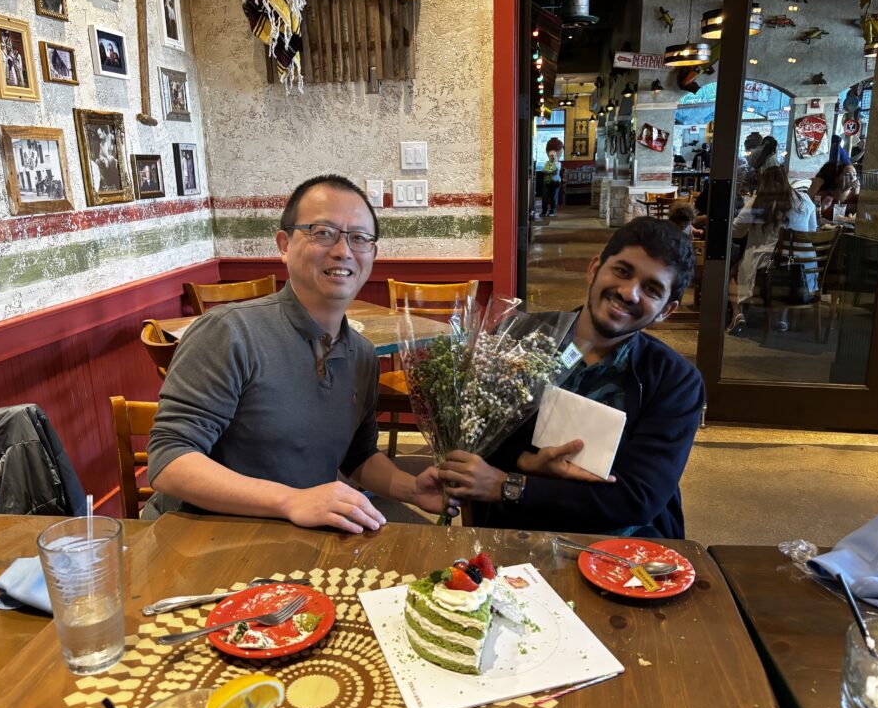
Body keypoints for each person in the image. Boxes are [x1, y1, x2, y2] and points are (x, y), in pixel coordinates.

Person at [146, 175, 445, 532]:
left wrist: (412, 488)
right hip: (200, 537)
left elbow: (358, 456)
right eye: (322, 232)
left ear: (373, 253)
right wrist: (291, 500)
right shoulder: (230, 331)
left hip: (294, 543)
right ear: (284, 244)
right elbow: (169, 460)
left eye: (359, 238)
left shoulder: (362, 354)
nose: (343, 250)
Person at [435, 217, 704, 538]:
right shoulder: (518, 337)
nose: (629, 292)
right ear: (594, 269)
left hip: (622, 545)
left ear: (666, 311)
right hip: (515, 532)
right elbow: (471, 441)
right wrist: (524, 461)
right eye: (622, 271)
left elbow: (637, 498)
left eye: (651, 288)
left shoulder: (675, 381)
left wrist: (512, 486)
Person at [728, 166, 818, 334]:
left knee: (733, 269)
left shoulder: (758, 202)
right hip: (802, 270)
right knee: (785, 266)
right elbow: (812, 231)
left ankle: (737, 314)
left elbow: (735, 230)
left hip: (766, 267)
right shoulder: (805, 200)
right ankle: (781, 318)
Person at [808, 146, 860, 219]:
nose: (852, 178)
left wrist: (856, 195)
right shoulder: (822, 196)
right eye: (847, 174)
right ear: (836, 179)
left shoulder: (856, 197)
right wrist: (822, 209)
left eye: (855, 175)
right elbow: (813, 217)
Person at [540, 149, 561, 218]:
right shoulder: (546, 163)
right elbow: (543, 170)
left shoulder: (558, 163)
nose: (551, 157)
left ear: (555, 155)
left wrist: (548, 171)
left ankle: (552, 211)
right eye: (550, 155)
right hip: (546, 182)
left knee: (553, 198)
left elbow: (556, 170)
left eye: (552, 155)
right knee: (545, 197)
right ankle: (544, 211)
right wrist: (550, 171)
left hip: (555, 182)